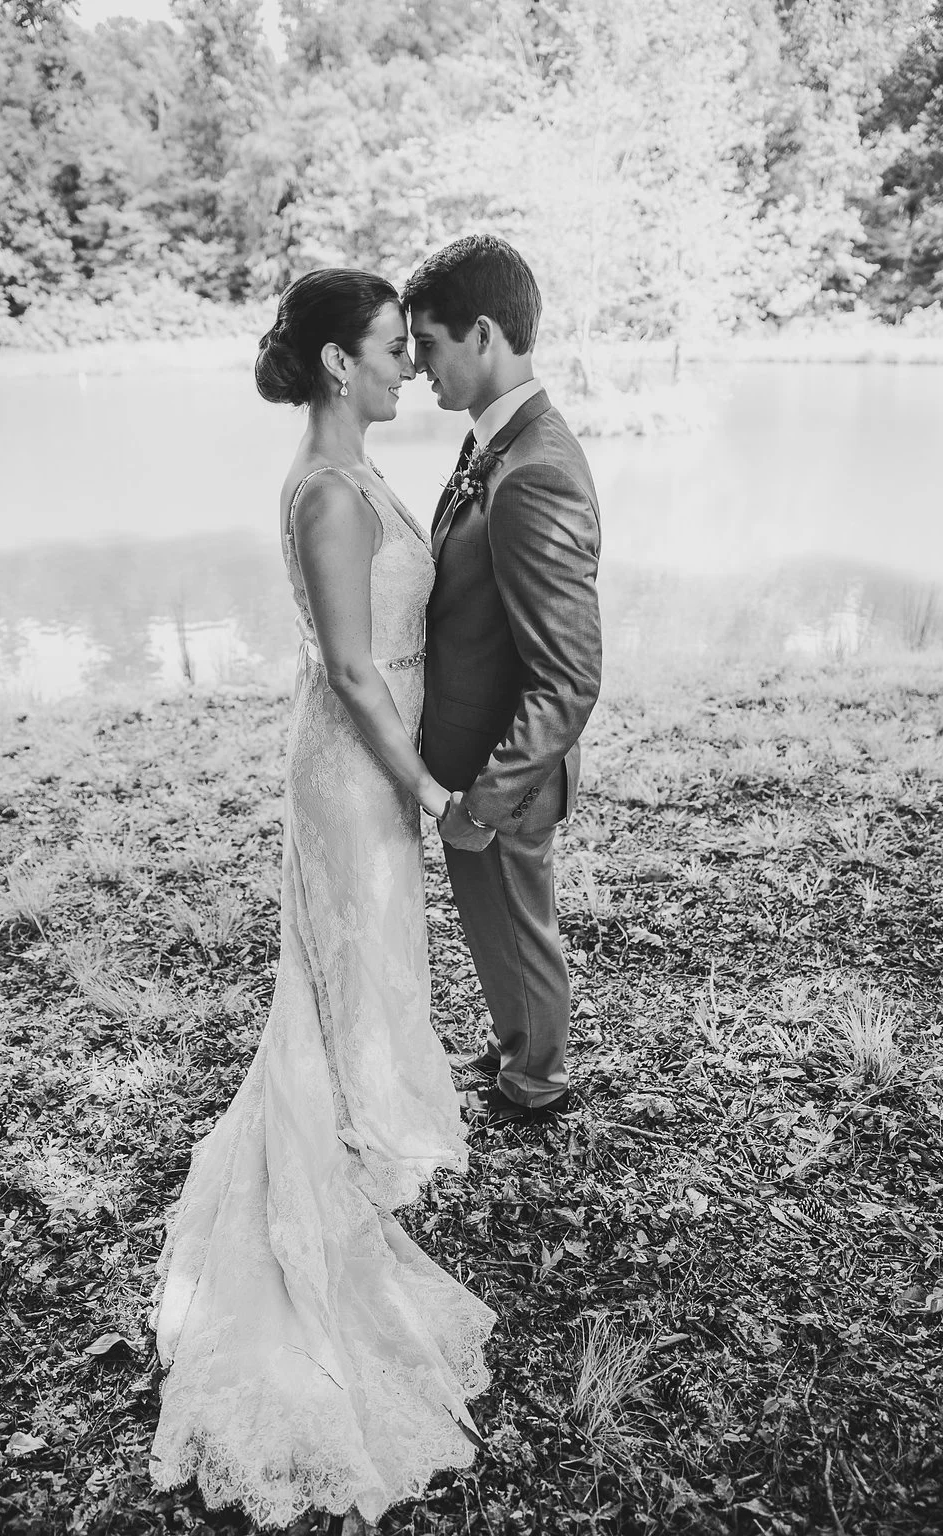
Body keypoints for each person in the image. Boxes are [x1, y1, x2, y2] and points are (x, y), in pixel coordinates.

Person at [149, 269, 494, 1535]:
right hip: (355, 771)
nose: (410, 365)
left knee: (362, 977)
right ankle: (323, 1215)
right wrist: (432, 788)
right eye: (394, 348)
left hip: (368, 762)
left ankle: (354, 1162)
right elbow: (352, 668)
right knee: (347, 980)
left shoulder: (352, 469)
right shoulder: (329, 493)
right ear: (341, 363)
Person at [403, 235, 603, 1130]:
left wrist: (484, 803)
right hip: (471, 748)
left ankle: (538, 1081)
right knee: (495, 924)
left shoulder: (535, 474)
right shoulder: (493, 440)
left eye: (429, 344)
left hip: (503, 770)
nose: (419, 366)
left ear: (482, 335)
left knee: (520, 927)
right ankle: (518, 1040)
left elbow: (569, 675)